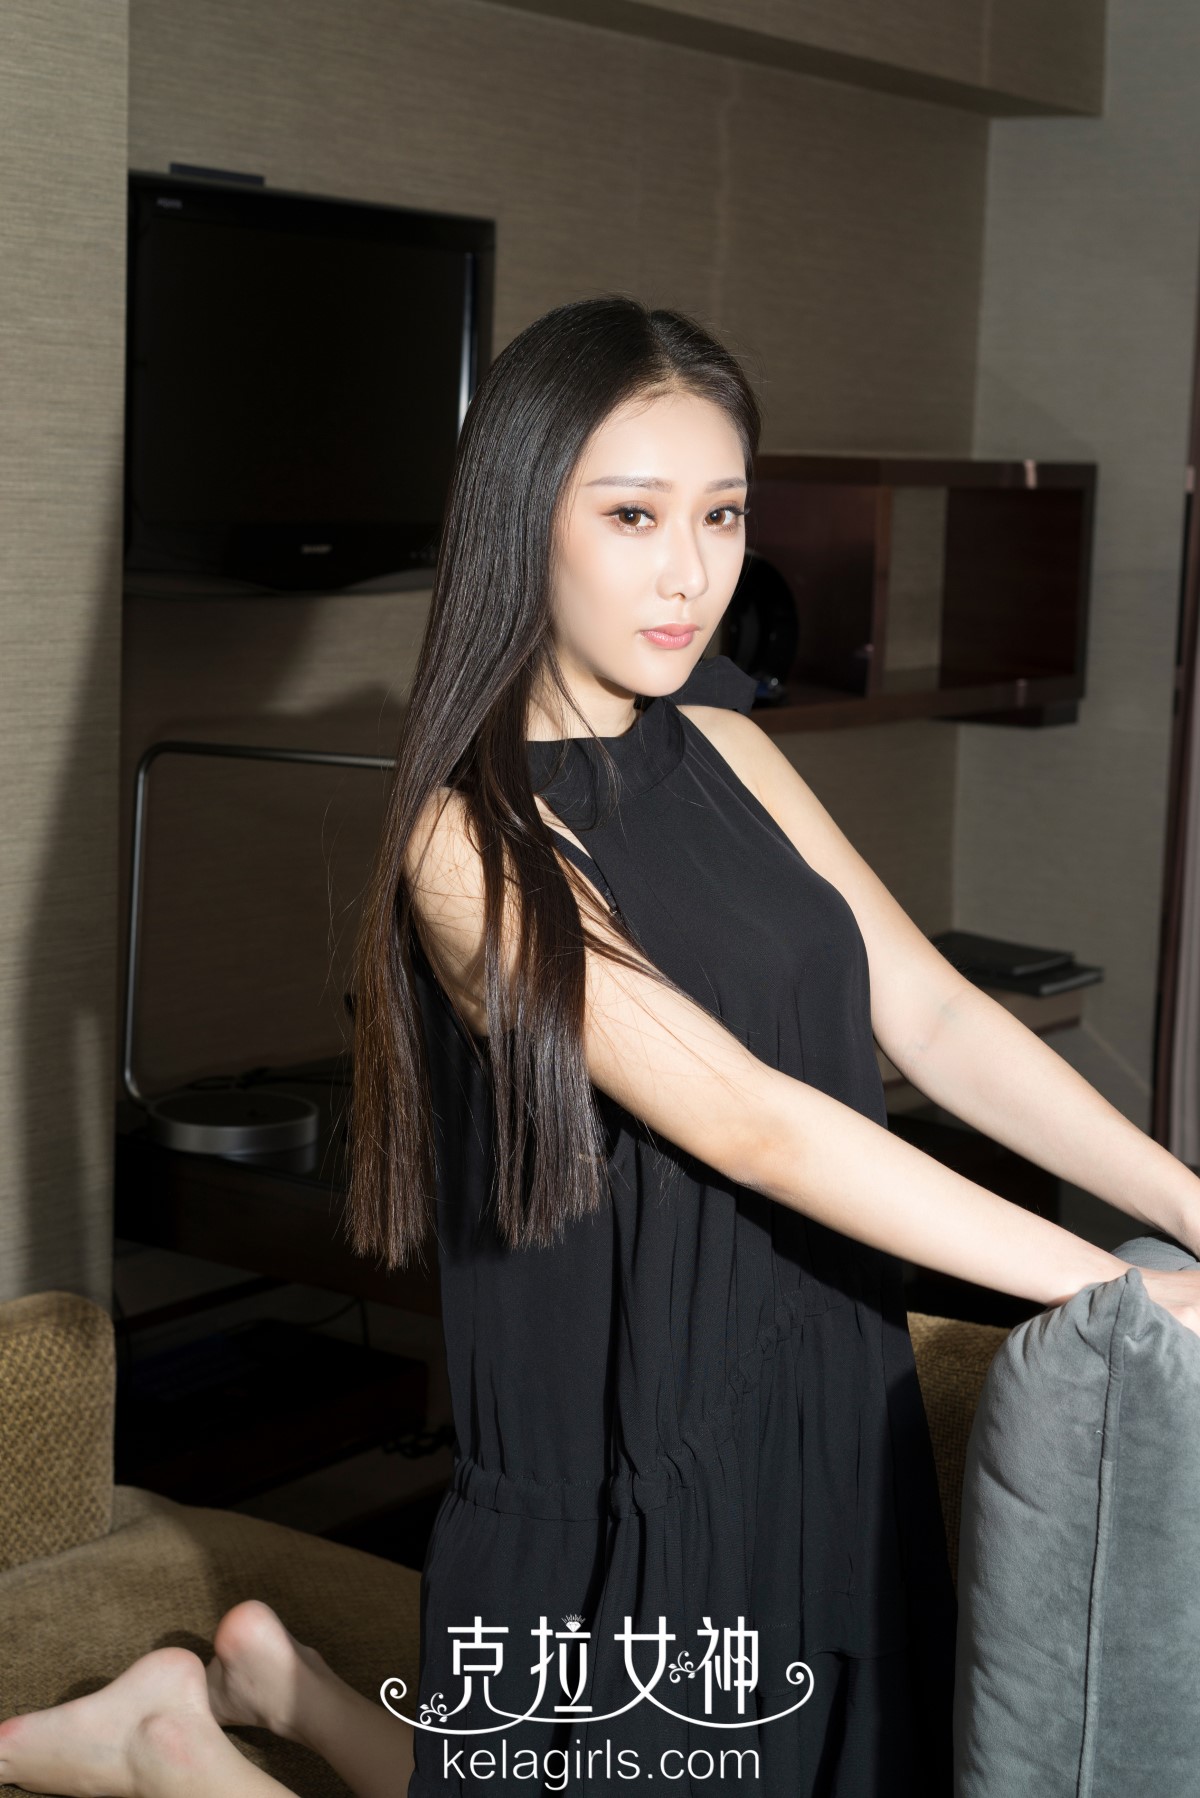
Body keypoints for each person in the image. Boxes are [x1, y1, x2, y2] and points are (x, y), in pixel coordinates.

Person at [6, 294, 1200, 1798]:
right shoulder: (465, 840)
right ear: (522, 522)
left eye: (722, 513)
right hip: (634, 1441)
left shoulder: (736, 749)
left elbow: (940, 1014)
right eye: (633, 514)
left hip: (825, 1392)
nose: (691, 571)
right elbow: (754, 1120)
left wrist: (1190, 1202)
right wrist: (1118, 1296)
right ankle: (168, 1743)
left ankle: (279, 1684)